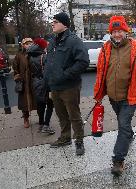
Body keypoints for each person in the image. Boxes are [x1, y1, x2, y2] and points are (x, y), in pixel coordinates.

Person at [93, 15, 136, 176]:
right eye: (114, 31)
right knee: (123, 123)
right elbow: (100, 73)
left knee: (123, 124)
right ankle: (128, 135)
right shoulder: (105, 49)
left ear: (126, 31)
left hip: (130, 97)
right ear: (110, 33)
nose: (117, 34)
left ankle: (118, 160)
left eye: (120, 31)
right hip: (113, 96)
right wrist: (98, 94)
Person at [44, 12, 89, 155]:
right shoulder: (52, 41)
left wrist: (65, 75)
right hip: (55, 86)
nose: (52, 23)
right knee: (61, 115)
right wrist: (49, 82)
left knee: (74, 115)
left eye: (55, 21)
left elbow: (83, 62)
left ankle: (79, 141)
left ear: (64, 24)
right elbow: (49, 62)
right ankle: (65, 138)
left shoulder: (74, 40)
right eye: (52, 21)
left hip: (70, 87)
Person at [27, 38, 55, 134]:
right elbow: (50, 71)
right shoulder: (45, 57)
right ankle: (46, 125)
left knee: (40, 103)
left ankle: (41, 124)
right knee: (50, 104)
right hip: (46, 82)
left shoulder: (29, 56)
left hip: (35, 82)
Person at [12, 38, 37, 128]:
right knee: (24, 102)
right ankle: (25, 118)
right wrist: (18, 79)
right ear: (23, 45)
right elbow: (15, 68)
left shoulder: (36, 53)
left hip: (34, 81)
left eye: (30, 43)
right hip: (24, 82)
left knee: (38, 100)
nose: (28, 45)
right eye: (26, 44)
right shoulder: (19, 55)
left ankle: (41, 119)